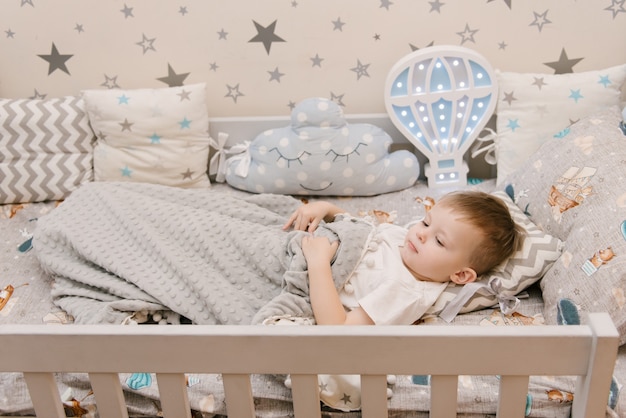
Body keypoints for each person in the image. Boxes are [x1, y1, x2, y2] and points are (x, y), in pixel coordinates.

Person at [282, 190, 522, 326]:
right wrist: (327, 209)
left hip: (300, 271)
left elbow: (339, 330)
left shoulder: (406, 292)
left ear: (460, 274)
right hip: (303, 241)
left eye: (439, 241)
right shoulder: (405, 240)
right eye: (426, 222)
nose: (421, 234)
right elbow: (360, 229)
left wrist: (318, 264)